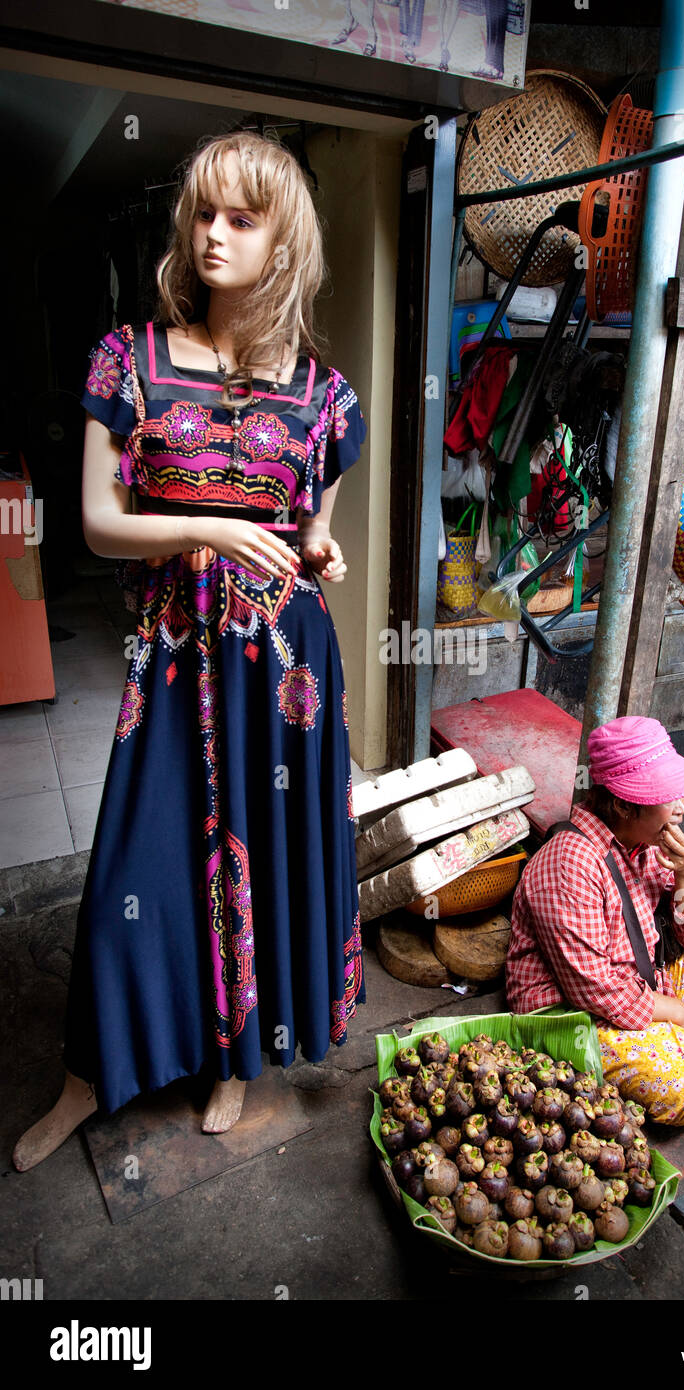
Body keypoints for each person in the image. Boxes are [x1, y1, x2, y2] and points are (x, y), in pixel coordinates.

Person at [13, 131, 367, 1171]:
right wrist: (206, 530)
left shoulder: (325, 400)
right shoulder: (128, 361)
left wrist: (322, 554)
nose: (213, 234)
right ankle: (91, 1069)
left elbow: (306, 537)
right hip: (173, 660)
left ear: (282, 240)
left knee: (264, 864)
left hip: (282, 669)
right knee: (136, 860)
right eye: (203, 213)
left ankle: (237, 1055)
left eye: (241, 218)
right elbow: (93, 522)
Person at [506, 716, 684, 1126]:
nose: (681, 809)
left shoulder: (644, 845)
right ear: (625, 805)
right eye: (669, 798)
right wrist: (678, 1014)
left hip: (641, 984)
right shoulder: (569, 865)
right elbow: (593, 990)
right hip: (574, 1018)